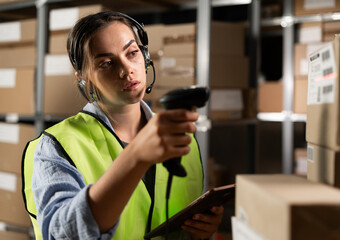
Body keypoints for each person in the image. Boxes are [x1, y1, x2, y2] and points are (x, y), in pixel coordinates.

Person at [22, 11, 223, 240]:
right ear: (84, 78)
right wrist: (135, 156)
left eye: (132, 53)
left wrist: (202, 229)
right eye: (107, 63)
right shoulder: (56, 146)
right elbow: (64, 235)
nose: (126, 69)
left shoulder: (179, 135)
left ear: (145, 56)